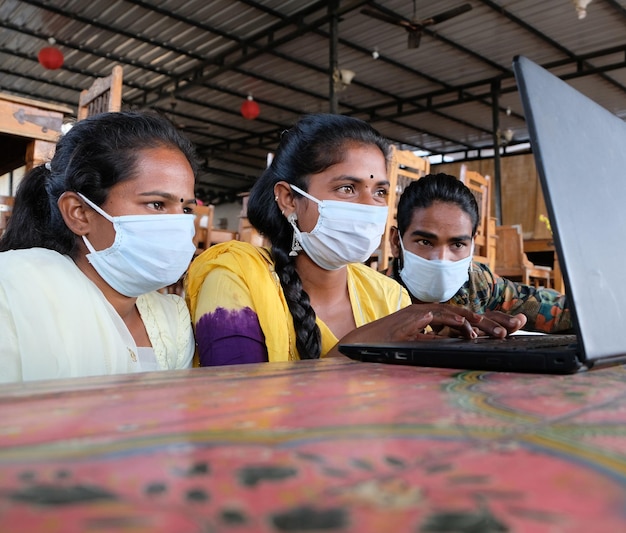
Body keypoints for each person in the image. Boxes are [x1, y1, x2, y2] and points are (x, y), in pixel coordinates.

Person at [185, 114, 505, 366]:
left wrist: (455, 350)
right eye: (347, 189)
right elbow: (236, 408)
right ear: (289, 199)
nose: (369, 206)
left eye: (379, 191)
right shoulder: (235, 276)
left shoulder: (387, 295)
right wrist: (364, 344)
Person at [0, 111, 198, 383]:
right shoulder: (15, 290)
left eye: (186, 208)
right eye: (157, 204)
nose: (179, 224)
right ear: (79, 213)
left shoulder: (172, 320)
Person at [389, 173, 572, 334]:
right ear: (396, 242)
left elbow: (561, 310)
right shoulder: (371, 296)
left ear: (472, 245)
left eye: (458, 244)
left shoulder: (478, 285)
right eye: (425, 242)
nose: (442, 259)